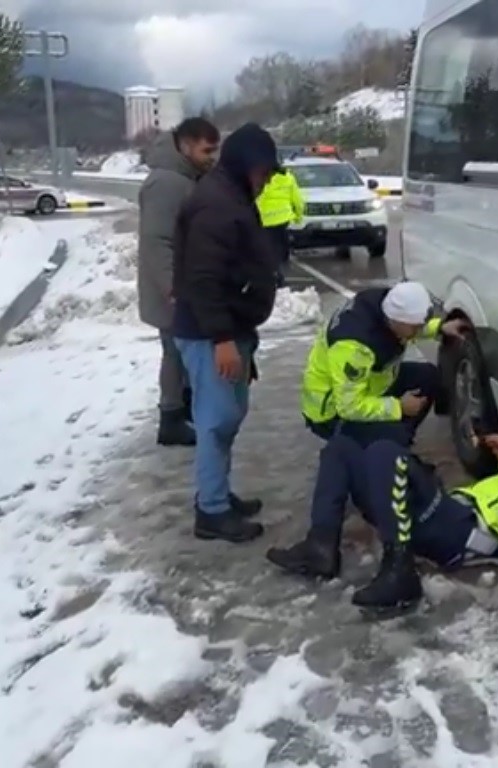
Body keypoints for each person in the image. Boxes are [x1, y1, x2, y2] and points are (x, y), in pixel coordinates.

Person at [267, 431, 498, 614]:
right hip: (449, 512)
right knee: (343, 446)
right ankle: (321, 545)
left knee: (385, 450)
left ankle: (400, 571)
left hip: (461, 534)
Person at [172, 123, 282, 543]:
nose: (268, 180)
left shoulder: (230, 194)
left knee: (228, 418)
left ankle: (216, 494)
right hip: (209, 334)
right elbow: (203, 278)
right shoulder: (217, 204)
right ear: (246, 165)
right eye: (265, 172)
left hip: (228, 328)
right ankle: (212, 512)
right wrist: (221, 340)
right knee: (216, 422)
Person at [299, 281, 467, 447]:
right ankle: (382, 448)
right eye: (416, 327)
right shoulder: (355, 347)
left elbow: (409, 326)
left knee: (428, 376)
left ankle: (394, 437)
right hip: (332, 415)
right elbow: (349, 407)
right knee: (396, 437)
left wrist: (439, 328)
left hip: (371, 385)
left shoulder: (385, 306)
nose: (418, 331)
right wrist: (398, 408)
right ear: (398, 321)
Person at [137, 117, 221, 447]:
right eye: (206, 150)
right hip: (172, 290)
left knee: (182, 352)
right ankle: (170, 418)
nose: (212, 157)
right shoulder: (167, 183)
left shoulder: (186, 177)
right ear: (185, 146)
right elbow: (157, 241)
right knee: (175, 351)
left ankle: (181, 408)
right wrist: (173, 289)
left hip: (183, 285)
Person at [256, 164, 305, 287]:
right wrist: (298, 217)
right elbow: (298, 200)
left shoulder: (259, 176)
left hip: (263, 220)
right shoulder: (288, 177)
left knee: (265, 250)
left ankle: (272, 275)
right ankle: (279, 274)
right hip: (282, 219)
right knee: (279, 249)